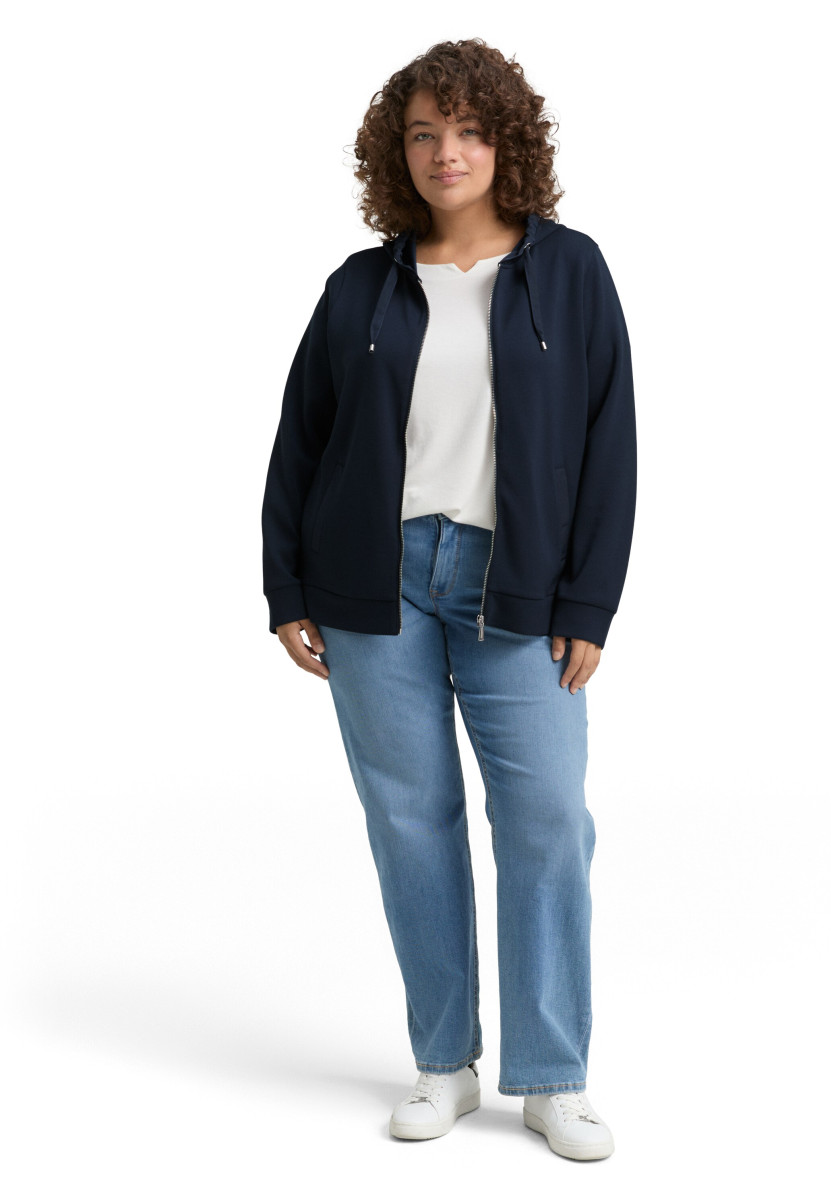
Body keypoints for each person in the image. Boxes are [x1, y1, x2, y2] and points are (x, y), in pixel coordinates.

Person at [261, 37, 637, 1162]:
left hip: (515, 584)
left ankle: (552, 1075)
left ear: (505, 142)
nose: (446, 153)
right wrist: (286, 585)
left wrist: (588, 603)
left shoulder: (570, 273)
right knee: (410, 822)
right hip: (373, 582)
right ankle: (443, 1063)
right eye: (423, 133)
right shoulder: (360, 286)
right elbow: (301, 441)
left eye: (468, 131)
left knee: (547, 820)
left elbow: (609, 443)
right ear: (399, 152)